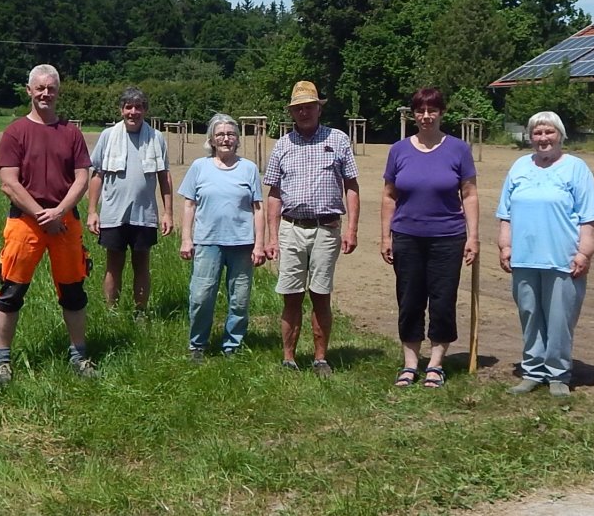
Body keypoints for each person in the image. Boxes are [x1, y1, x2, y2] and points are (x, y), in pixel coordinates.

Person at [0, 64, 95, 385]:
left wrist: (60, 212)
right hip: (25, 224)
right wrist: (41, 214)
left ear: (58, 92)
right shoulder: (15, 132)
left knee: (73, 291)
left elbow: (82, 178)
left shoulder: (71, 133)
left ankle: (79, 354)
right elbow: (9, 182)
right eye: (40, 88)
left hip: (65, 224)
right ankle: (3, 361)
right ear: (29, 91)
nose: (45, 93)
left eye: (51, 88)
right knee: (11, 292)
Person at [497, 111, 594, 398]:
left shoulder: (576, 169)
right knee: (529, 314)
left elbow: (589, 217)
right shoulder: (519, 167)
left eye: (549, 132)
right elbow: (505, 214)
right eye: (537, 133)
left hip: (563, 259)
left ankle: (558, 374)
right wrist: (505, 245)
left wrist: (584, 253)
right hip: (524, 257)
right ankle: (532, 370)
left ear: (560, 135)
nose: (543, 139)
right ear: (530, 137)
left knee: (559, 319)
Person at [380, 88, 479, 388]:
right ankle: (410, 364)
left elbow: (470, 195)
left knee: (442, 299)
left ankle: (436, 364)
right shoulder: (398, 150)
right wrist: (385, 236)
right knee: (409, 300)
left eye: (432, 110)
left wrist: (473, 236)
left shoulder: (458, 149)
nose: (426, 116)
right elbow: (388, 196)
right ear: (413, 114)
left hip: (448, 237)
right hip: (407, 236)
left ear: (441, 112)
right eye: (420, 111)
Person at [263, 80, 360, 377]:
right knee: (291, 295)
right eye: (298, 108)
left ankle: (320, 359)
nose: (304, 112)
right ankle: (289, 359)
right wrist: (271, 236)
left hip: (326, 228)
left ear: (319, 108)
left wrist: (352, 229)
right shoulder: (282, 144)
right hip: (292, 228)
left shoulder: (338, 140)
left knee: (320, 295)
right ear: (292, 112)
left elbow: (352, 186)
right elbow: (274, 194)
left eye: (309, 106)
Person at [178, 114, 266, 362]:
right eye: (220, 135)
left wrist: (259, 244)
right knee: (201, 296)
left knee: (239, 298)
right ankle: (198, 345)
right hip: (207, 242)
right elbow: (189, 205)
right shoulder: (199, 167)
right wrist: (187, 239)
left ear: (237, 139)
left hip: (241, 244)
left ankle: (232, 346)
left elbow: (258, 208)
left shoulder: (248, 168)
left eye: (230, 134)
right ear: (212, 140)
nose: (226, 139)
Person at [86, 86, 173, 312]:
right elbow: (97, 175)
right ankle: (111, 312)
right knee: (113, 265)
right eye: (128, 107)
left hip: (144, 215)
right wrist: (92, 211)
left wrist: (168, 213)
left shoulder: (156, 138)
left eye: (138, 107)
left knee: (142, 265)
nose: (133, 112)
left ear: (145, 110)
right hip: (113, 215)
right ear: (121, 110)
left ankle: (140, 313)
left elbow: (164, 176)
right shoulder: (108, 136)